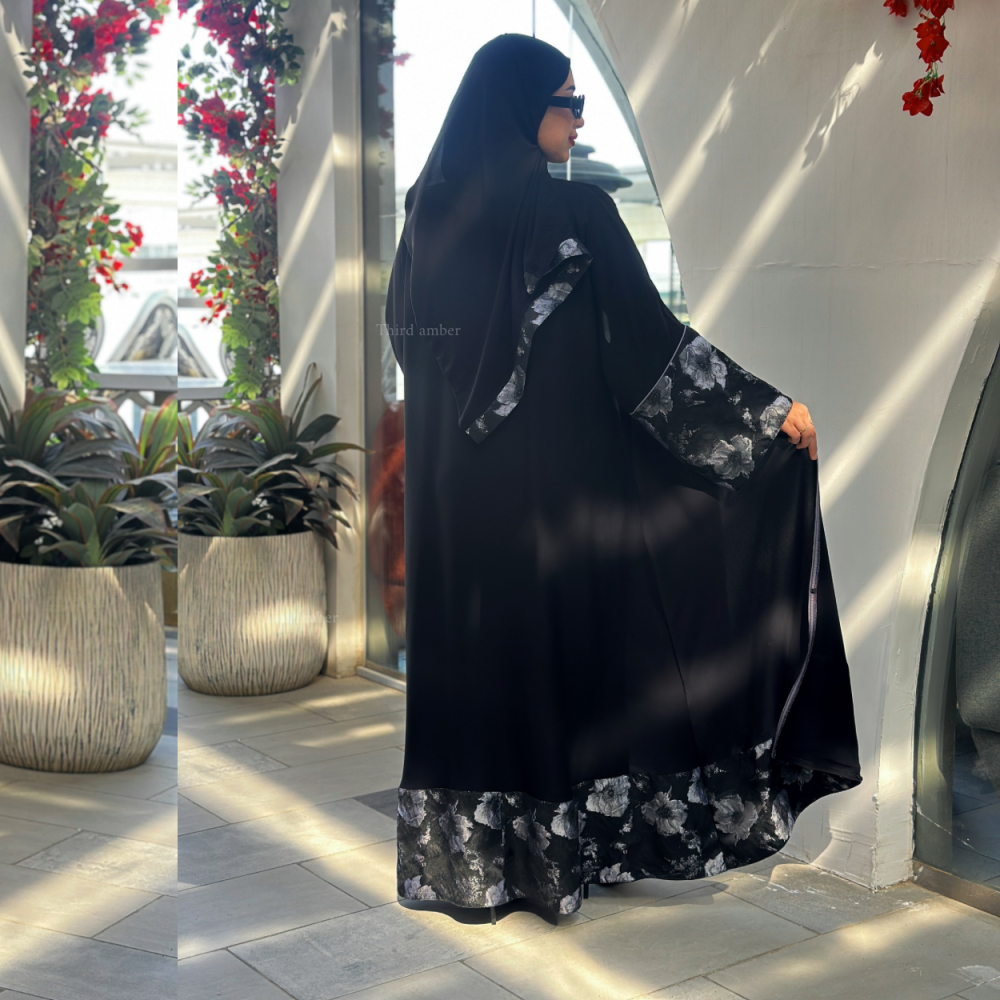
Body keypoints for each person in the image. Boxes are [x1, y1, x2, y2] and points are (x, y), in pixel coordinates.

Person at [386, 32, 861, 919]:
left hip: (459, 516)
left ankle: (481, 865)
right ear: (520, 108)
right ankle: (559, 862)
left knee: (483, 673)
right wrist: (764, 415)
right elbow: (650, 353)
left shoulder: (426, 220)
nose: (579, 117)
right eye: (568, 102)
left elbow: (419, 359)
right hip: (557, 506)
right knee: (566, 668)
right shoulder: (576, 214)